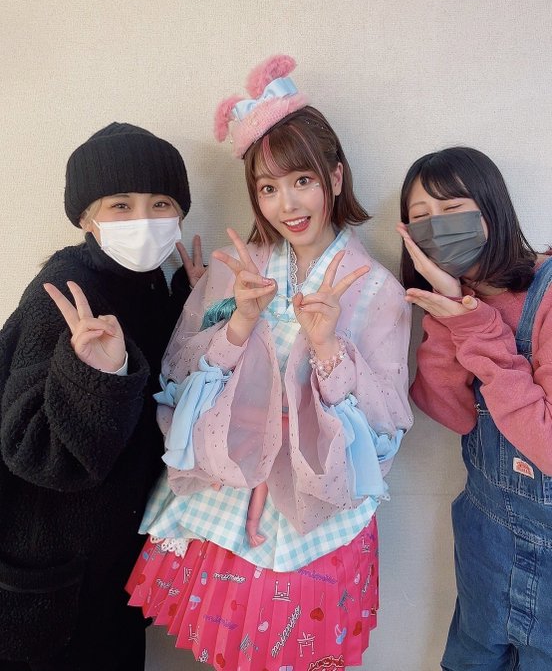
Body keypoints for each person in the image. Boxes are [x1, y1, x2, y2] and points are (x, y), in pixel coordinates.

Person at [126, 55, 412, 671]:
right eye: (268, 187)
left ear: (335, 176)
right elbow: (180, 380)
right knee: (228, 653)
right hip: (229, 489)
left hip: (315, 506)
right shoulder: (236, 269)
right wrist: (239, 324)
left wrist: (329, 349)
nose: (287, 203)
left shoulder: (377, 291)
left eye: (302, 179)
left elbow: (385, 428)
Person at [0, 122, 204, 670]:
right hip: (52, 587)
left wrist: (189, 300)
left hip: (109, 569)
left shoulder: (145, 283)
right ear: (86, 218)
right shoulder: (65, 295)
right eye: (120, 205)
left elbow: (156, 380)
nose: (143, 219)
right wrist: (98, 375)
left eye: (160, 203)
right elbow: (34, 450)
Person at [396, 146, 552, 671]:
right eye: (421, 217)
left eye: (453, 208)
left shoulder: (547, 294)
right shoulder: (455, 296)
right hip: (486, 541)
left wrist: (476, 327)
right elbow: (453, 414)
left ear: (492, 205)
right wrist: (448, 315)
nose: (437, 227)